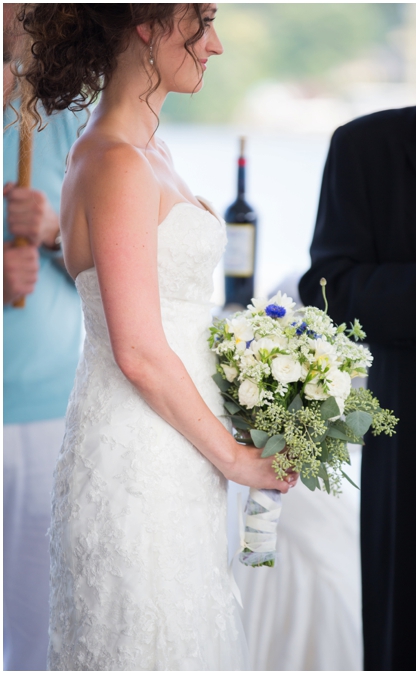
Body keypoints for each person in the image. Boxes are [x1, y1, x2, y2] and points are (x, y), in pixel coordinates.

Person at [17, 4, 294, 670]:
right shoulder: (113, 159)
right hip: (137, 466)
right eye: (200, 21)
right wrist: (237, 459)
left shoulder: (151, 151)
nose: (216, 45)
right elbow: (137, 350)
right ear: (147, 23)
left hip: (173, 459)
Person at [297, 5, 416, 669]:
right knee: (403, 621)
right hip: (410, 420)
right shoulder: (364, 146)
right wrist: (411, 284)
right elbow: (322, 287)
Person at [2, 5, 84, 669]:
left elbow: (109, 262)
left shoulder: (64, 117)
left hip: (49, 401)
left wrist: (53, 232)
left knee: (36, 633)